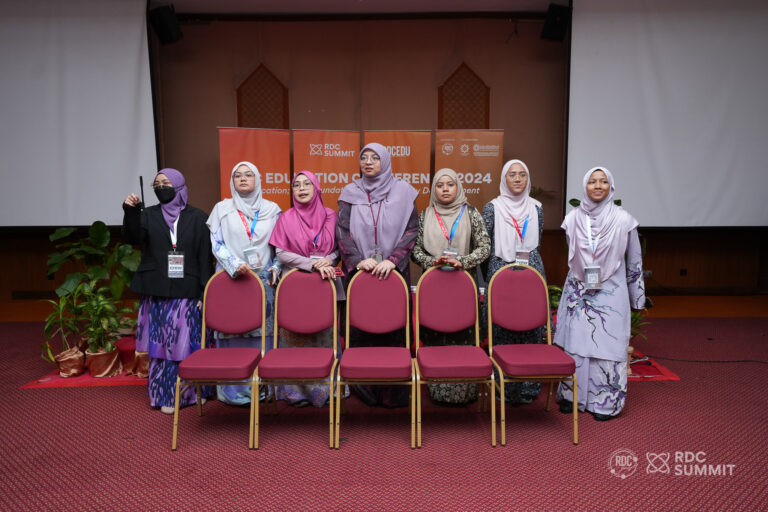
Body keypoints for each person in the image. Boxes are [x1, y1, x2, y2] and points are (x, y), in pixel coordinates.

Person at [554, 167, 646, 421]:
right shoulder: (572, 218)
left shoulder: (624, 220)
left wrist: (637, 298)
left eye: (603, 181)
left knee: (607, 343)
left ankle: (604, 403)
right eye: (592, 181)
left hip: (611, 292)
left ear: (611, 186)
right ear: (585, 186)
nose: (597, 186)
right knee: (576, 343)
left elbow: (634, 260)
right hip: (579, 292)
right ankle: (572, 396)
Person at [122, 168, 214, 414]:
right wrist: (131, 211)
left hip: (188, 291)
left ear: (179, 185)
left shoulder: (198, 217)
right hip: (158, 289)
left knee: (188, 343)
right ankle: (166, 393)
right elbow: (133, 238)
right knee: (162, 346)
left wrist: (205, 293)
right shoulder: (148, 215)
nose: (161, 187)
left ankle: (197, 392)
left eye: (166, 182)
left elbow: (205, 259)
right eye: (157, 183)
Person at [336, 142, 419, 408]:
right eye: (364, 158)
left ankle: (394, 392)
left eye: (375, 158)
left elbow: (412, 230)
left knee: (394, 329)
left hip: (393, 273)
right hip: (360, 273)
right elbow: (342, 232)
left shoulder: (404, 192)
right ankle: (366, 390)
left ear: (385, 161)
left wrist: (393, 260)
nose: (369, 162)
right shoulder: (349, 192)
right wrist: (358, 261)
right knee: (361, 330)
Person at [411, 167, 490, 405]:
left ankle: (465, 391)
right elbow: (415, 251)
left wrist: (462, 261)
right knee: (436, 337)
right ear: (433, 189)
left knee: (463, 337)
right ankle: (437, 390)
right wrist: (432, 261)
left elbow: (485, 247)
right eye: (440, 185)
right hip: (434, 287)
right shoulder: (425, 215)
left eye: (450, 184)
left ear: (458, 187)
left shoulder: (471, 213)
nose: (445, 189)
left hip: (462, 286)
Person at [206, 161, 282, 406]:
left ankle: (264, 389)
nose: (243, 179)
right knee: (232, 331)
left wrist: (276, 267)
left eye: (248, 175)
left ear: (257, 179)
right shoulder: (222, 209)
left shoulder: (273, 210)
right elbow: (216, 244)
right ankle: (232, 391)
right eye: (237, 175)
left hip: (263, 282)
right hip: (232, 279)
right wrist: (235, 264)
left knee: (263, 334)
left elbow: (281, 246)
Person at [269, 170, 339, 408]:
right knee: (295, 334)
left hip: (324, 282)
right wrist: (311, 264)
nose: (301, 189)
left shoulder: (331, 215)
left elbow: (338, 248)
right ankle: (294, 392)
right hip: (295, 284)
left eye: (307, 184)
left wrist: (328, 259)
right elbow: (280, 252)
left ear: (316, 188)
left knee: (324, 333)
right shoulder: (286, 217)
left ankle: (326, 390)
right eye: (296, 185)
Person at [482, 159, 546, 405]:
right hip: (501, 270)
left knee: (532, 328)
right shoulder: (492, 208)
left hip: (532, 272)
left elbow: (538, 240)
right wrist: (495, 273)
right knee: (502, 330)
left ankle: (529, 387)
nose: (517, 179)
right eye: (512, 175)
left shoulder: (537, 208)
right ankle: (503, 387)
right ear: (504, 179)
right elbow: (486, 248)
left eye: (522, 174)